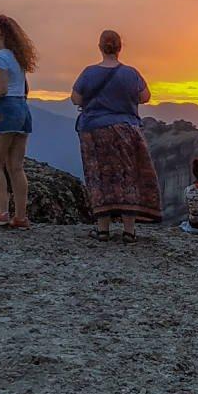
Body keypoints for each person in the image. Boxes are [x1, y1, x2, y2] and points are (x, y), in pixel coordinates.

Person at [72, 29, 161, 242]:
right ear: (120, 48)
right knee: (128, 176)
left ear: (100, 47)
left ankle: (103, 230)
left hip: (94, 131)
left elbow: (76, 99)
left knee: (99, 177)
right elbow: (145, 97)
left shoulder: (89, 72)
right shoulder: (131, 73)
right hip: (126, 130)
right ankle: (129, 231)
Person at [0, 13, 35, 229]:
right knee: (16, 166)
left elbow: (0, 90)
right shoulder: (16, 57)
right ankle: (21, 216)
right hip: (22, 109)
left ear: (2, 33)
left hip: (4, 110)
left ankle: (1, 212)